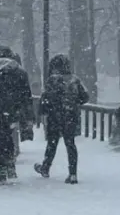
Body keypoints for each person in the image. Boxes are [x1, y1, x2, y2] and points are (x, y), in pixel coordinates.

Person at [0, 45, 32, 185]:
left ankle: (1, 171)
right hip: (12, 112)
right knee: (8, 137)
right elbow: (26, 95)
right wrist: (25, 114)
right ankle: (11, 166)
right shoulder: (19, 71)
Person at [35, 54, 90, 183]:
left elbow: (45, 99)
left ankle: (46, 167)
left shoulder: (52, 80)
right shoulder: (75, 80)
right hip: (71, 116)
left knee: (52, 143)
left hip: (55, 117)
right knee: (70, 144)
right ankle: (73, 173)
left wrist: (45, 111)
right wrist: (73, 103)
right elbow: (85, 97)